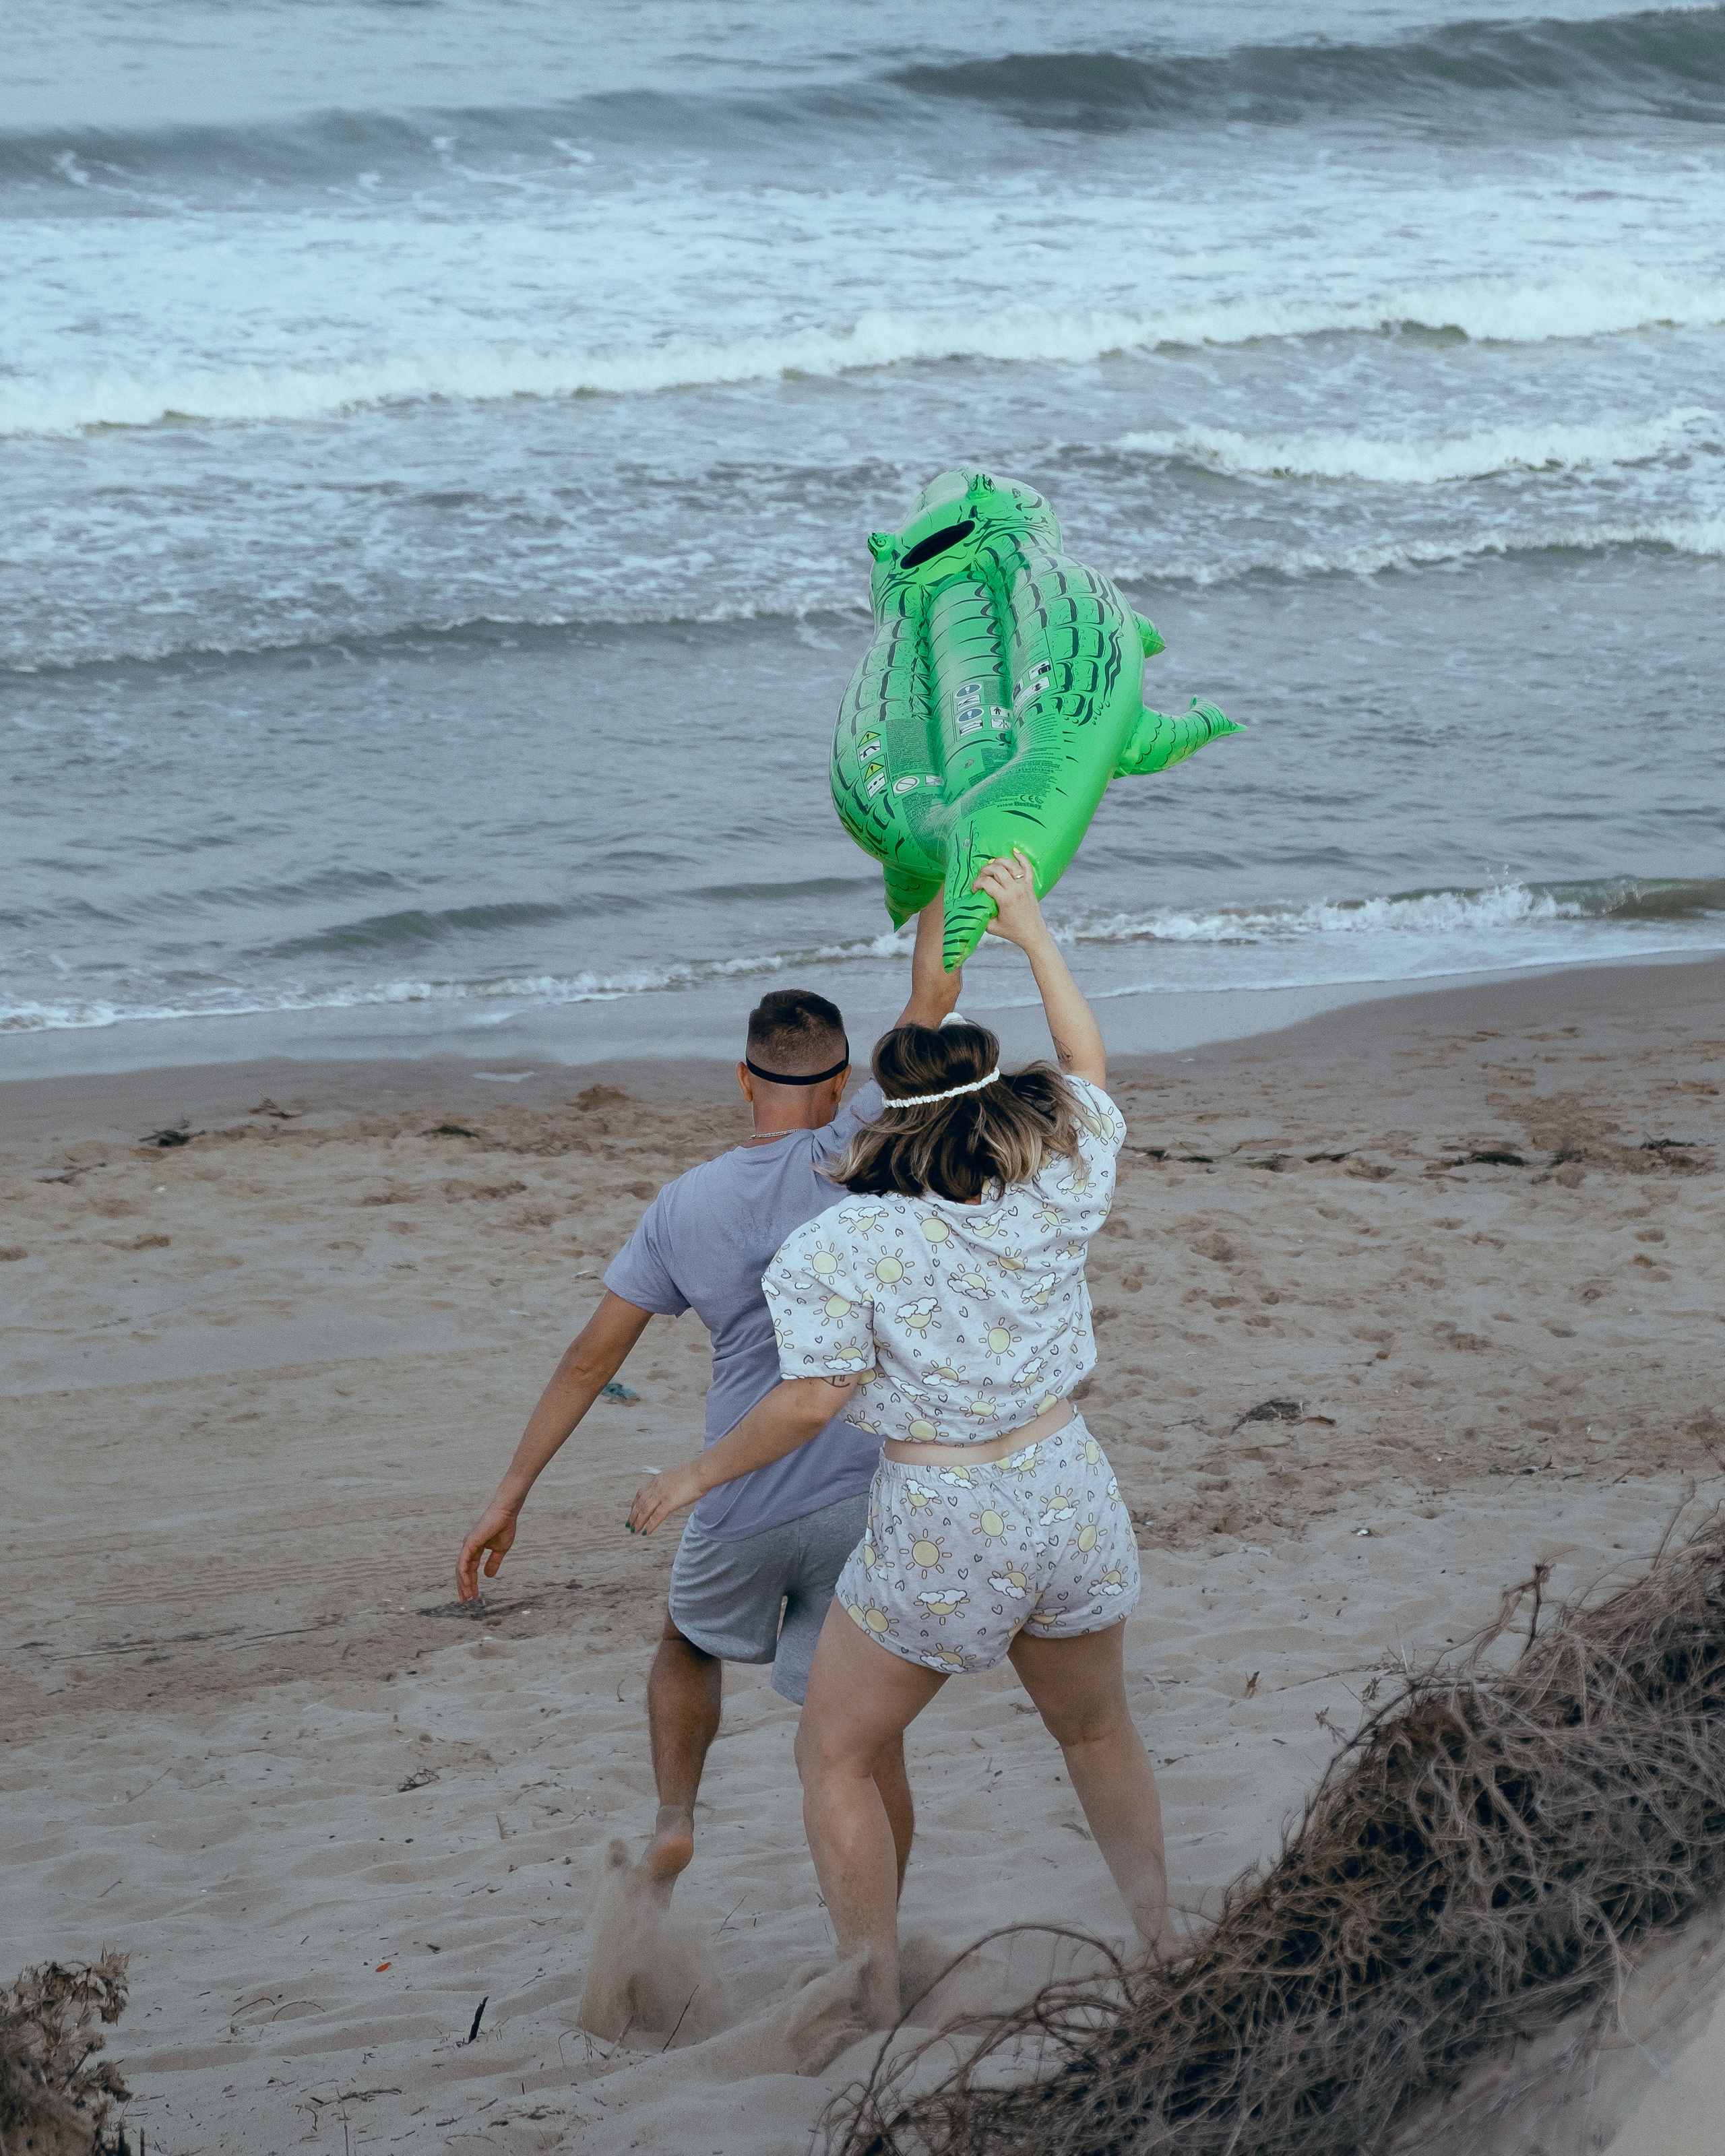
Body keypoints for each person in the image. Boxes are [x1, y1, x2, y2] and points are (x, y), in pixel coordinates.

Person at [627, 848, 1172, 2025]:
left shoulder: (842, 1243)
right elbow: (1084, 1062)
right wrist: (1028, 932)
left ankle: (871, 1990)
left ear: (884, 1104)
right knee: (1096, 1731)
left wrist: (696, 1474)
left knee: (834, 1755)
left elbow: (812, 1397)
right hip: (1068, 1483)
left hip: (944, 1524)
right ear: (986, 1095)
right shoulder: (1053, 1180)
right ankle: (1165, 1945)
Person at [455, 901, 963, 1911]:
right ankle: (879, 1939)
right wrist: (943, 864)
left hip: (736, 1493)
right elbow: (936, 993)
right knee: (866, 1746)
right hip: (868, 1492)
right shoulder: (870, 1137)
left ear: (742, 1079)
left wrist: (509, 1494)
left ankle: (676, 1819)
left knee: (687, 1644)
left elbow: (587, 1362)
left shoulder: (683, 1205)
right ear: (846, 1075)